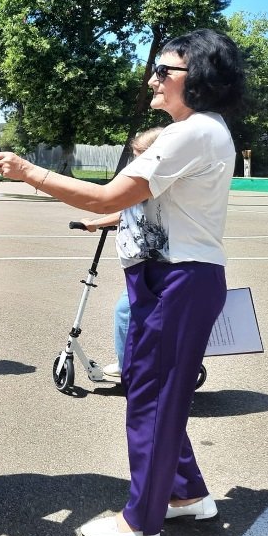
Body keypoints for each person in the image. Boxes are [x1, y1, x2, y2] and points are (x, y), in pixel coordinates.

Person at [0, 28, 245, 536]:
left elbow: (109, 196)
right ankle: (185, 493)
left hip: (177, 280)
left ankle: (142, 519)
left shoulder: (191, 132)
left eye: (164, 70)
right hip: (172, 277)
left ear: (195, 78)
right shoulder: (201, 131)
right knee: (156, 392)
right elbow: (147, 208)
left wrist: (28, 172)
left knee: (149, 400)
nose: (153, 78)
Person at [78, 126, 163, 377]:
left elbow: (110, 201)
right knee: (132, 313)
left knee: (126, 311)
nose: (137, 162)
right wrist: (96, 222)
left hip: (154, 264)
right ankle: (132, 363)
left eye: (141, 156)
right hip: (140, 265)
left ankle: (131, 367)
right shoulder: (146, 182)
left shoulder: (155, 182)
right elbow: (129, 212)